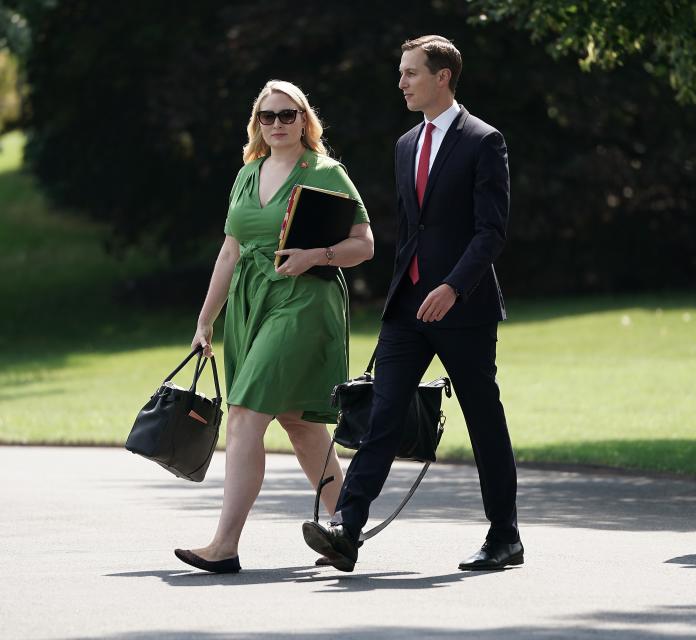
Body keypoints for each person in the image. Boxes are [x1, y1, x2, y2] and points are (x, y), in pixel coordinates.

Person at [303, 35, 521, 573]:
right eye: (401, 73)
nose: (401, 82)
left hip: (462, 309)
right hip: (407, 310)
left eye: (410, 73)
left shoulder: (483, 141)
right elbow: (411, 231)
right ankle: (346, 529)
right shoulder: (405, 145)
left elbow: (490, 233)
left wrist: (453, 287)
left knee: (483, 420)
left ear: (442, 76)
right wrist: (403, 290)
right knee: (382, 415)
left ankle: (505, 537)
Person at [174, 80, 374, 573]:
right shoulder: (248, 174)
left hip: (303, 303)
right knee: (301, 424)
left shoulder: (327, 173)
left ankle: (224, 545)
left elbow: (364, 245)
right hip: (250, 304)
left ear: (304, 119)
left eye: (288, 115)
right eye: (269, 116)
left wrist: (316, 256)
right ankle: (345, 532)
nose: (279, 124)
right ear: (257, 123)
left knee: (244, 412)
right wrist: (205, 321)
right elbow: (230, 251)